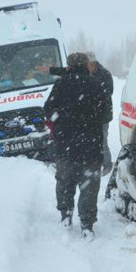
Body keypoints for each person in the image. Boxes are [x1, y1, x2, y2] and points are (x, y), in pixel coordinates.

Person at [43, 52, 109, 239]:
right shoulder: (96, 84)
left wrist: (62, 118)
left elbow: (48, 110)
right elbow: (106, 113)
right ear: (86, 65)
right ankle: (87, 224)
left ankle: (66, 214)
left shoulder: (61, 84)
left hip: (66, 145)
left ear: (69, 65)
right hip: (91, 146)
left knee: (65, 181)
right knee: (89, 186)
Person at [85, 53, 114, 175]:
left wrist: (93, 98)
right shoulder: (86, 74)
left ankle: (107, 164)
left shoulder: (105, 74)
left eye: (88, 65)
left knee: (102, 140)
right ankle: (94, 163)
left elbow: (108, 93)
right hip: (89, 114)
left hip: (102, 115)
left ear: (93, 64)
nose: (87, 67)